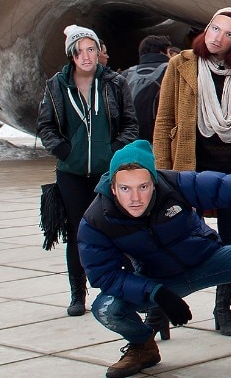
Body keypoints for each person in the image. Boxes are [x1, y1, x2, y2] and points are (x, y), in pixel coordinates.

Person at [78, 140, 231, 378]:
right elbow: (105, 275)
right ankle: (142, 347)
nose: (135, 198)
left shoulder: (175, 185)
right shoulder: (97, 220)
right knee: (104, 308)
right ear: (113, 188)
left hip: (208, 260)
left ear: (154, 182)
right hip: (160, 281)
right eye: (125, 188)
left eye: (143, 187)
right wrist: (154, 292)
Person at [153, 8, 231, 336]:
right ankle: (159, 309)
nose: (218, 37)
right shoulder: (181, 64)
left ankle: (223, 308)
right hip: (191, 170)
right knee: (172, 237)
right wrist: (161, 173)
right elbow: (164, 120)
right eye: (215, 29)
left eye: (228, 34)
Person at [36, 25, 138, 316]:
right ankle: (77, 293)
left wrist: (115, 150)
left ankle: (126, 289)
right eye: (79, 51)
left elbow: (130, 123)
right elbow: (45, 125)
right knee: (77, 231)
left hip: (109, 173)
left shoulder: (115, 83)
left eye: (91, 49)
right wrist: (64, 151)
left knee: (117, 228)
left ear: (98, 51)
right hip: (72, 173)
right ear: (71, 55)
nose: (86, 56)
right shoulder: (56, 85)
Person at [122, 35, 176, 142]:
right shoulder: (172, 71)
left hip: (129, 141)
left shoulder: (126, 74)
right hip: (161, 140)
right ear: (162, 52)